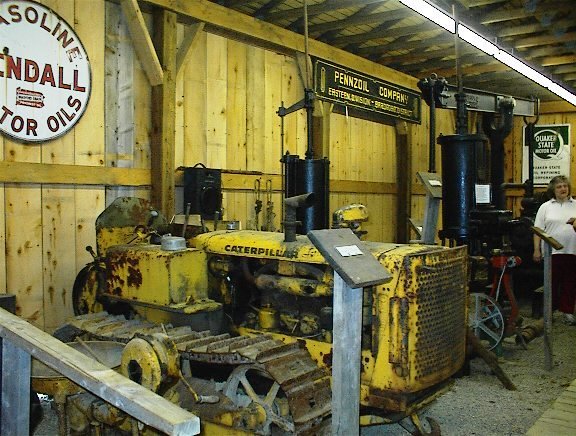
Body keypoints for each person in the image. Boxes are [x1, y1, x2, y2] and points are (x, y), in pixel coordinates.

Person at [533, 175, 576, 324]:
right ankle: (549, 312)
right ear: (553, 190)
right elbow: (537, 229)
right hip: (552, 253)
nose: (563, 189)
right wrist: (536, 250)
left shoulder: (575, 205)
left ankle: (568, 312)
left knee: (570, 283)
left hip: (572, 251)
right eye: (559, 187)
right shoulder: (545, 207)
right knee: (551, 284)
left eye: (565, 186)